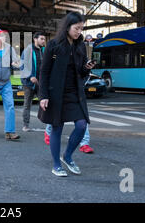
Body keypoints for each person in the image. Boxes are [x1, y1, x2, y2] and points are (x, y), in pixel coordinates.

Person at [38, 12, 96, 177]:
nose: (79, 32)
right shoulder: (54, 45)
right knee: (57, 128)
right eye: (76, 28)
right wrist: (43, 96)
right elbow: (44, 71)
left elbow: (81, 70)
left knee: (82, 125)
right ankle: (56, 164)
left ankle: (67, 156)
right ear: (68, 26)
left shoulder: (80, 45)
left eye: (81, 29)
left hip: (75, 93)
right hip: (56, 94)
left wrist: (87, 67)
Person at [20, 32, 46, 132]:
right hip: (28, 83)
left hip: (41, 82)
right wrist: (30, 76)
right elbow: (22, 66)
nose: (43, 41)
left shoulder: (44, 50)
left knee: (45, 101)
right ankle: (25, 125)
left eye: (44, 39)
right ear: (35, 39)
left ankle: (49, 124)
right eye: (42, 39)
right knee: (27, 104)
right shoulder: (28, 50)